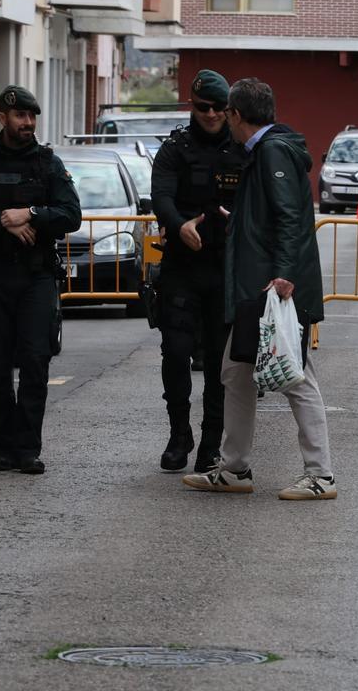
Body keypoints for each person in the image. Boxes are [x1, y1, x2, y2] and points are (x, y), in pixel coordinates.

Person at [181, 78, 335, 500]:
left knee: (298, 377)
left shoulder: (270, 152)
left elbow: (289, 217)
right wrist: (244, 221)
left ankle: (320, 474)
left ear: (235, 114)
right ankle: (234, 469)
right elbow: (274, 216)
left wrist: (284, 274)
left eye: (226, 114)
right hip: (261, 290)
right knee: (236, 373)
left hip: (273, 291)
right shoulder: (269, 151)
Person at [0, 85, 81, 474]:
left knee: (36, 361)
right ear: (3, 118)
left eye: (32, 116)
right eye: (20, 116)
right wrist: (2, 221)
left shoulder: (48, 164)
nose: (28, 123)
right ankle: (3, 447)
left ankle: (28, 448)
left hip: (36, 277)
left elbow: (71, 214)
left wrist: (32, 214)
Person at [150, 69, 249, 473]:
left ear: (229, 109)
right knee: (174, 352)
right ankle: (179, 434)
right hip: (182, 266)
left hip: (224, 269)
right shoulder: (176, 147)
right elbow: (161, 195)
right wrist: (179, 225)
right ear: (193, 106)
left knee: (218, 364)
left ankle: (210, 443)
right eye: (202, 107)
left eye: (218, 108)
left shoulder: (243, 149)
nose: (210, 114)